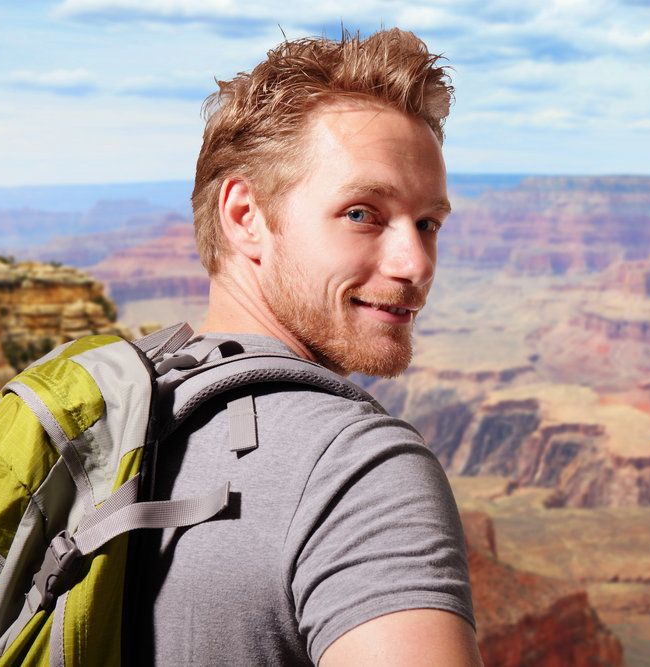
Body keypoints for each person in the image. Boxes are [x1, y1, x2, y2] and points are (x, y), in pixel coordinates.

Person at [131, 28, 482, 666]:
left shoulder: (132, 410)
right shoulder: (358, 471)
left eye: (428, 223)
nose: (416, 263)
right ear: (246, 215)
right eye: (362, 213)